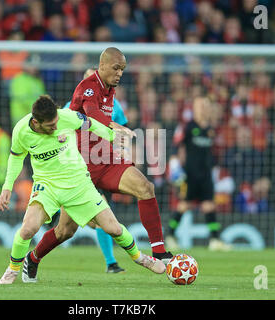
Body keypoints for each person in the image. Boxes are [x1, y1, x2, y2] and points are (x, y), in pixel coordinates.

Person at [26, 48, 172, 284]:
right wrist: (117, 129)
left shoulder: (110, 90)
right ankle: (32, 258)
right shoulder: (89, 87)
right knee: (65, 231)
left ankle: (159, 250)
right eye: (116, 68)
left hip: (104, 160)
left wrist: (119, 139)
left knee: (145, 187)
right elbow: (94, 121)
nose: (119, 74)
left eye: (122, 69)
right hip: (78, 166)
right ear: (101, 65)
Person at [0, 95, 165, 284]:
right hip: (47, 185)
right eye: (50, 125)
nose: (55, 126)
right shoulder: (21, 130)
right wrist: (7, 187)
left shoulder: (66, 116)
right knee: (28, 229)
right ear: (36, 122)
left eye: (56, 122)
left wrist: (112, 136)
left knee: (114, 228)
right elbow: (16, 157)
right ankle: (12, 270)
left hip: (79, 184)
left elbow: (91, 123)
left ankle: (141, 259)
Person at [62, 68, 127, 273]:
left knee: (94, 217)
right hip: (78, 165)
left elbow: (122, 129)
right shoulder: (70, 106)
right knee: (97, 216)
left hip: (103, 164)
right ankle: (112, 263)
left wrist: (122, 152)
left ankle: (111, 263)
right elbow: (58, 129)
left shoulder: (114, 105)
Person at [166, 96, 232, 251]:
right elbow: (176, 146)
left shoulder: (211, 129)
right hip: (190, 174)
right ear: (194, 108)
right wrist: (174, 165)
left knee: (209, 205)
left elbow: (213, 152)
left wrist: (215, 170)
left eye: (206, 106)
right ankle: (169, 235)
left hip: (206, 175)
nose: (203, 108)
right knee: (184, 205)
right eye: (200, 105)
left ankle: (215, 240)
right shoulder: (188, 127)